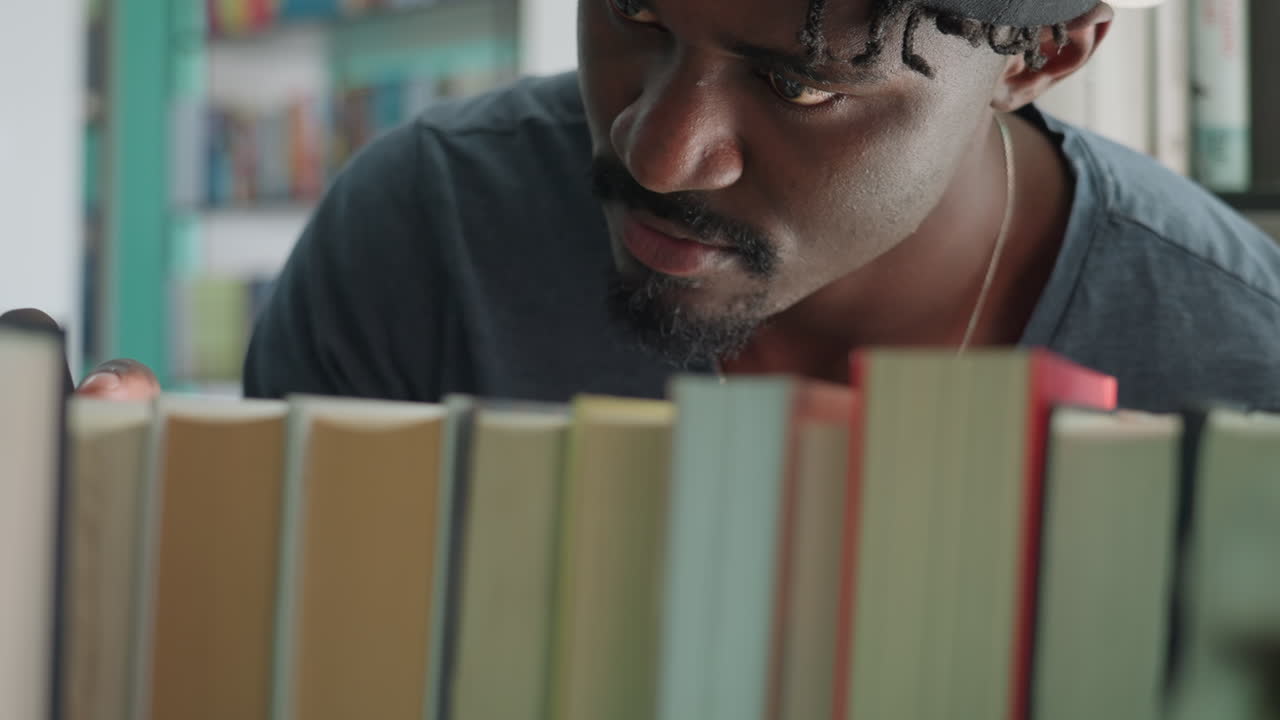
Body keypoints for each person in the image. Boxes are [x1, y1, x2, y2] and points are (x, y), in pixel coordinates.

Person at [79, 0, 1280, 412]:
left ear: (1040, 57)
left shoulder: (1235, 371)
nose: (655, 154)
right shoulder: (424, 229)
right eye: (632, 19)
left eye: (799, 80)